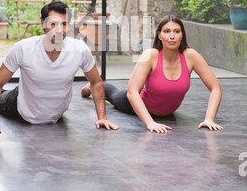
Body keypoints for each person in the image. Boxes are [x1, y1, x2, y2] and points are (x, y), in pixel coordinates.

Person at [0, 0, 119, 135]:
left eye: (64, 24)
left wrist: (102, 118)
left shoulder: (80, 49)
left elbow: (96, 82)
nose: (59, 30)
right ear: (43, 23)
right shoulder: (23, 48)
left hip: (52, 113)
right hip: (19, 105)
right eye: (53, 24)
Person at [81, 14, 223, 134]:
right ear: (159, 35)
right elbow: (132, 92)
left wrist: (209, 118)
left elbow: (215, 87)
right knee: (113, 94)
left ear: (182, 35)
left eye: (176, 31)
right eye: (167, 31)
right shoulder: (150, 55)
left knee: (115, 93)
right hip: (139, 104)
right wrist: (150, 123)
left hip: (167, 112)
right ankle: (90, 87)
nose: (172, 36)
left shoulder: (191, 56)